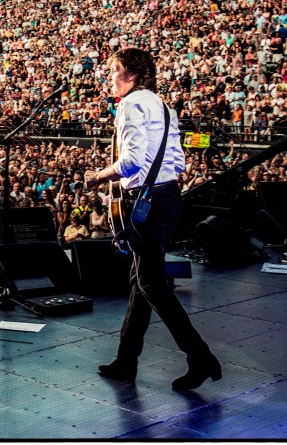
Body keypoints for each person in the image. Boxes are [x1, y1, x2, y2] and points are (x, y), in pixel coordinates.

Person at [84, 47, 221, 391]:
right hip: (168, 196)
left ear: (130, 75)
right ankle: (125, 361)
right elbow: (177, 162)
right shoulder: (163, 105)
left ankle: (200, 357)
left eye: (114, 70)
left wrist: (98, 176)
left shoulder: (130, 104)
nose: (109, 77)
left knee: (151, 284)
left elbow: (130, 162)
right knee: (140, 281)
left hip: (147, 201)